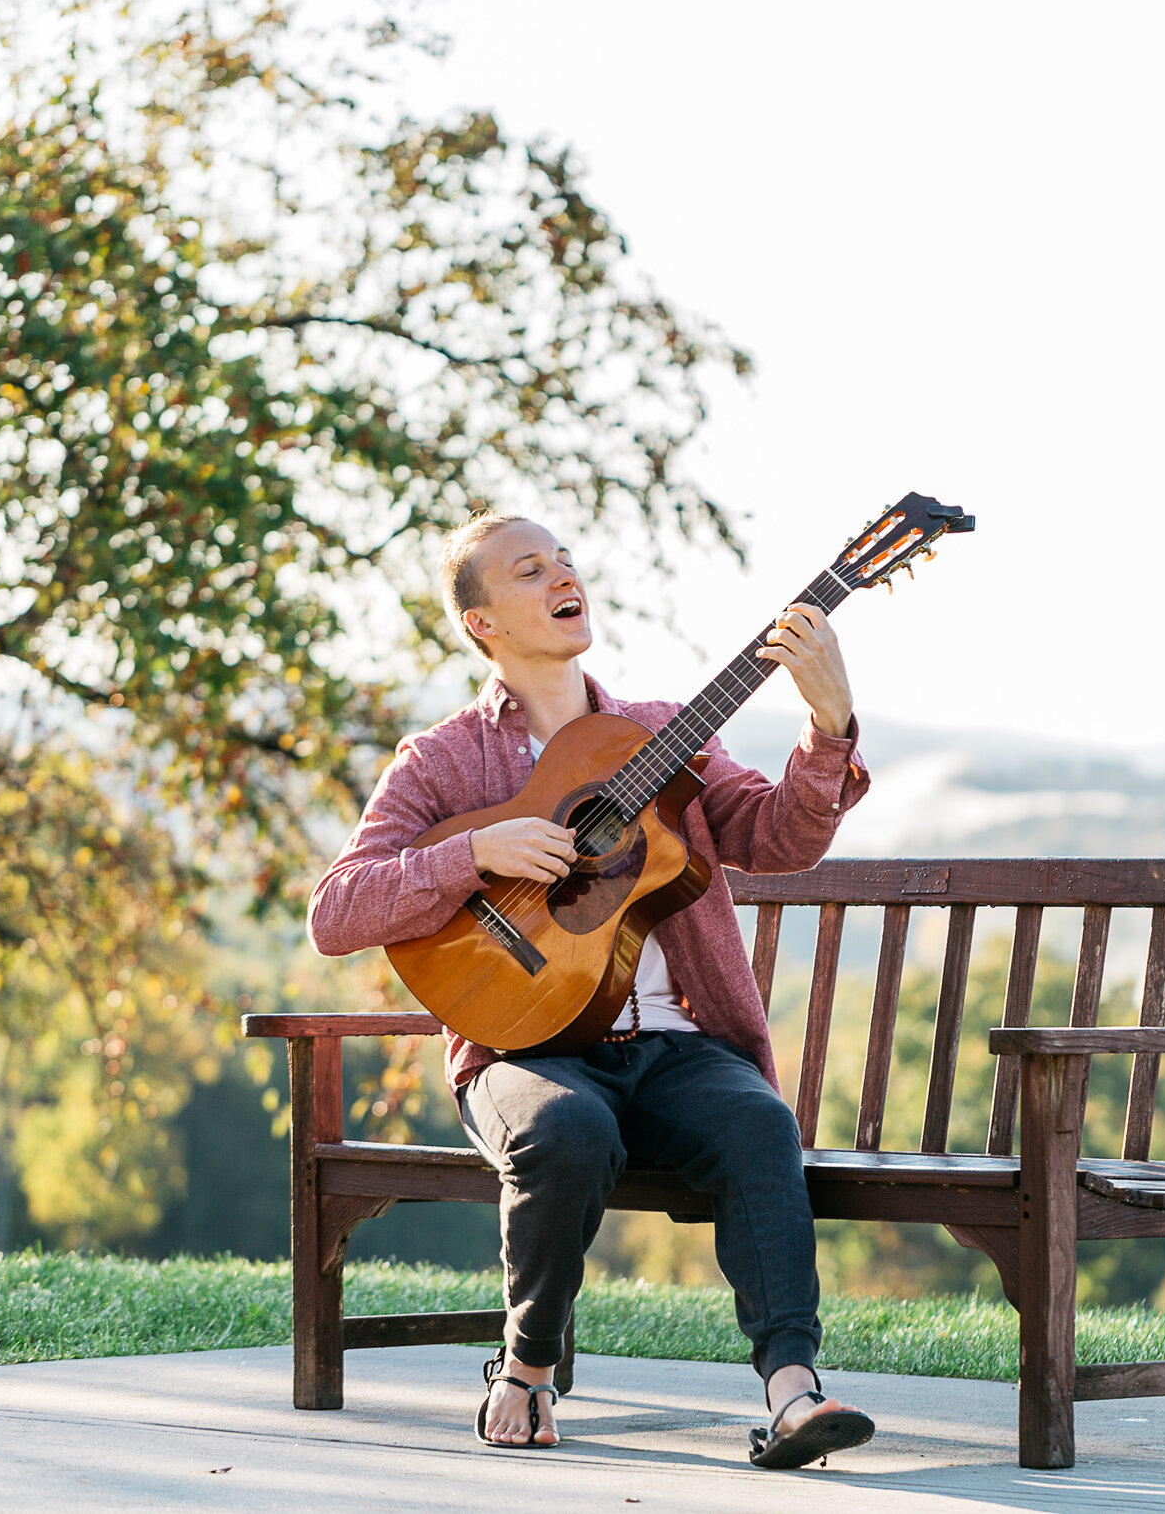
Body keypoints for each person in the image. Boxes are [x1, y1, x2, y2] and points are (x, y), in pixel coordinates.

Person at [308, 512, 876, 1466]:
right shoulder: (444, 761)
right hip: (522, 1050)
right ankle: (526, 1367)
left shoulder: (658, 734)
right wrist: (470, 854)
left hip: (674, 1049)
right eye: (529, 570)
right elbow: (337, 910)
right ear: (483, 622)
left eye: (565, 559)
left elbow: (777, 839)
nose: (562, 574)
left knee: (756, 1123)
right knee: (568, 1129)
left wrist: (827, 727)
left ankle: (792, 1394)